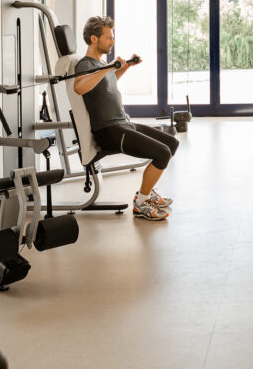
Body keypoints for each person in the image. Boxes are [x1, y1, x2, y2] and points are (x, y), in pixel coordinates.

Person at [73, 16, 178, 221]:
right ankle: (141, 203)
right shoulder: (86, 64)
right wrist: (108, 68)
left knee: (171, 143)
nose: (112, 41)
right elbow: (79, 88)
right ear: (94, 39)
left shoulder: (100, 64)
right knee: (162, 153)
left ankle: (147, 192)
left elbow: (106, 84)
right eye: (108, 38)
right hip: (109, 131)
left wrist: (124, 67)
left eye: (112, 37)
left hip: (123, 123)